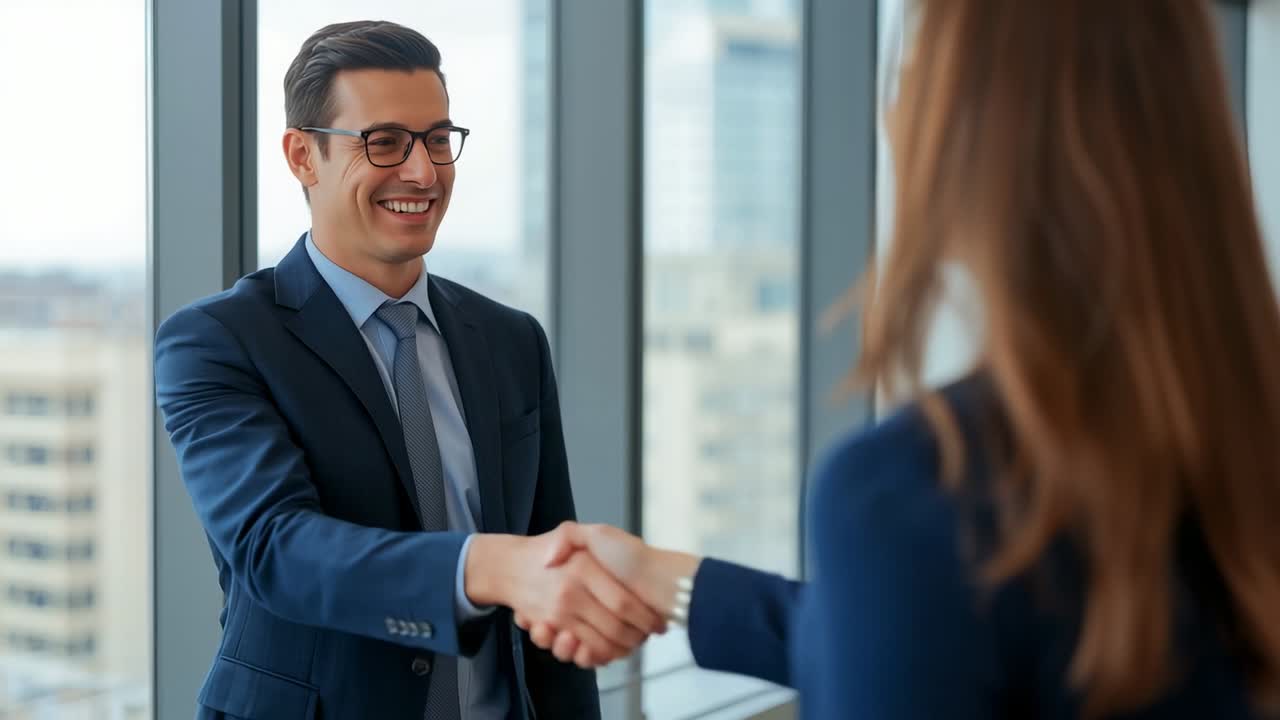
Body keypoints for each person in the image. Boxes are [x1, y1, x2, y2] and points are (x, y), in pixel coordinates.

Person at [523, 1, 1280, 718]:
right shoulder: (1230, 437)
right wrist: (668, 580)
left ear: (957, 138)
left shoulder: (919, 488)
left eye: (909, 81)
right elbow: (941, 632)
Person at [154, 20, 664, 720]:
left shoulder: (511, 340)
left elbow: (550, 592)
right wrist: (485, 566)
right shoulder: (218, 341)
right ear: (302, 156)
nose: (422, 172)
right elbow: (277, 551)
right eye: (384, 142)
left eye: (436, 139)